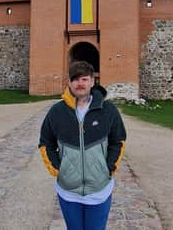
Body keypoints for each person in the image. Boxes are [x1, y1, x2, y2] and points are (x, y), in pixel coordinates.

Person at [39, 60, 127, 230]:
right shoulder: (57, 112)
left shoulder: (108, 110)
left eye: (85, 79)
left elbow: (119, 140)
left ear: (93, 82)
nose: (80, 83)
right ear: (69, 83)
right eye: (76, 79)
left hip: (99, 190)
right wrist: (58, 169)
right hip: (68, 192)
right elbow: (45, 142)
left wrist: (108, 168)